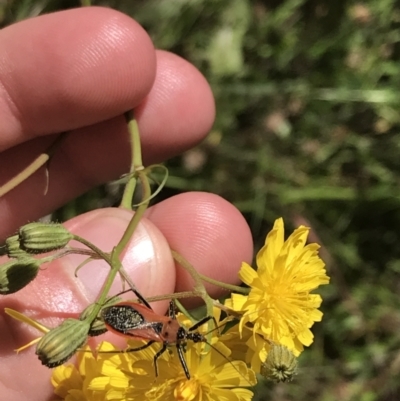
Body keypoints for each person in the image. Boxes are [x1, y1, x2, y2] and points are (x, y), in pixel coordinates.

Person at [0, 7, 253, 400]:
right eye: (179, 334)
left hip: (128, 320)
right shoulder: (166, 333)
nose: (179, 335)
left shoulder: (166, 330)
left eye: (179, 334)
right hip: (127, 319)